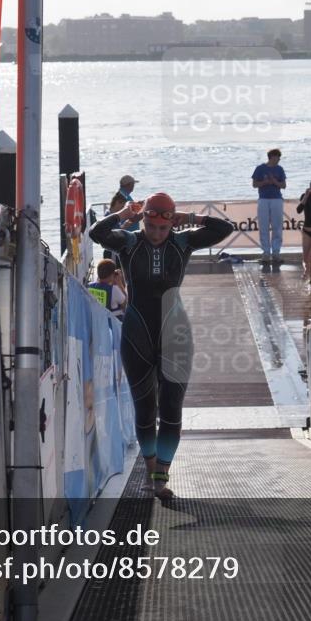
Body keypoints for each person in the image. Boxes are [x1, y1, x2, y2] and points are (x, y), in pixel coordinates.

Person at [89, 192, 234, 499]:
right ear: (144, 222)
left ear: (171, 226)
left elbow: (225, 229)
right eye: (152, 227)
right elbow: (96, 233)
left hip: (175, 333)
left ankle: (161, 476)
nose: (156, 234)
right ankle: (150, 465)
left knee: (171, 408)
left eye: (163, 229)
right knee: (144, 408)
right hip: (137, 333)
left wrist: (191, 219)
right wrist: (124, 215)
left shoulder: (182, 243)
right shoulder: (129, 243)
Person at [251, 149, 286, 263]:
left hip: (276, 199)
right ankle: (266, 252)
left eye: (279, 158)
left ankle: (276, 252)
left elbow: (283, 185)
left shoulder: (279, 169)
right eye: (277, 157)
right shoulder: (260, 168)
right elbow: (254, 184)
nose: (278, 160)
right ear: (271, 157)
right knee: (263, 226)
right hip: (263, 199)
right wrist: (265, 182)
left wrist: (274, 182)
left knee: (277, 227)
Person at [104, 174, 139, 262]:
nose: (133, 186)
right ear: (128, 185)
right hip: (124, 241)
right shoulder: (124, 198)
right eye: (133, 184)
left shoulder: (121, 195)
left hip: (125, 239)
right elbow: (133, 215)